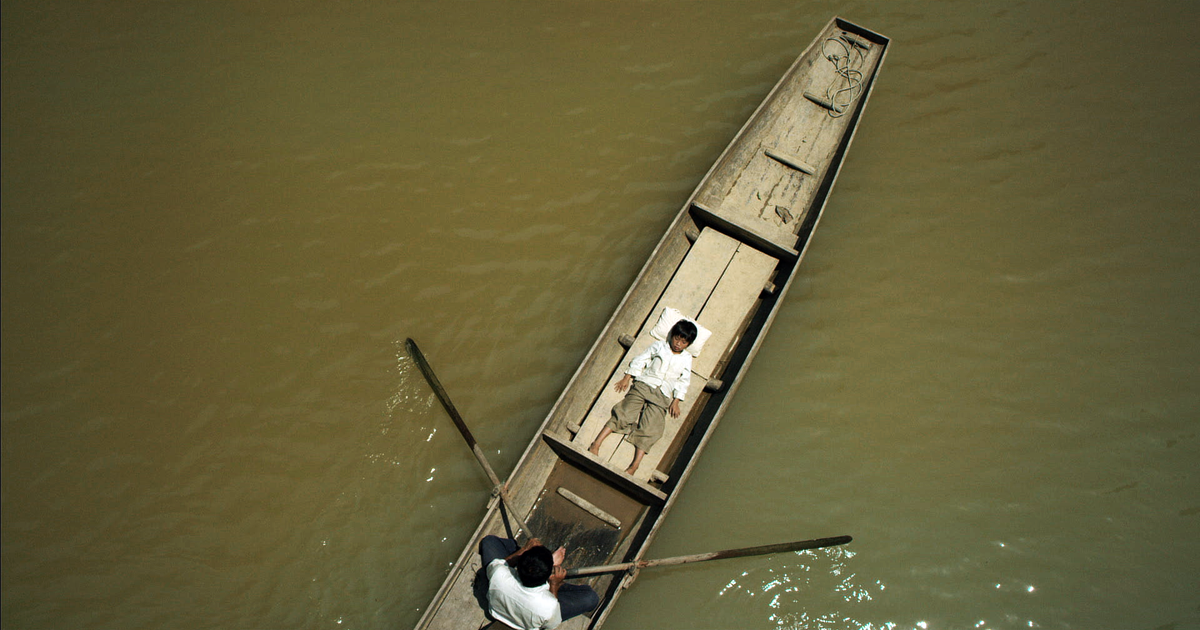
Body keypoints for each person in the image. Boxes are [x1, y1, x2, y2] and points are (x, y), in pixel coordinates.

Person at [588, 319, 696, 474]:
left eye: (683, 342)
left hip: (663, 394)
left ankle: (634, 466)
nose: (678, 344)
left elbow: (684, 380)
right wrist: (627, 377)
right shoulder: (659, 346)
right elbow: (641, 359)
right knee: (624, 413)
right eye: (677, 339)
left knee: (652, 428)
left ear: (688, 344)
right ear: (672, 336)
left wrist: (676, 401)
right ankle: (596, 444)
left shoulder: (686, 359)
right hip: (645, 385)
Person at [478, 535, 600, 630]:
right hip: (527, 622)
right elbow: (551, 624)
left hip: (499, 609)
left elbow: (498, 564)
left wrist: (525, 549)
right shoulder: (548, 607)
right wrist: (555, 584)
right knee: (591, 598)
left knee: (489, 542)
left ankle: (536, 561)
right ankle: (545, 566)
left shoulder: (499, 574)